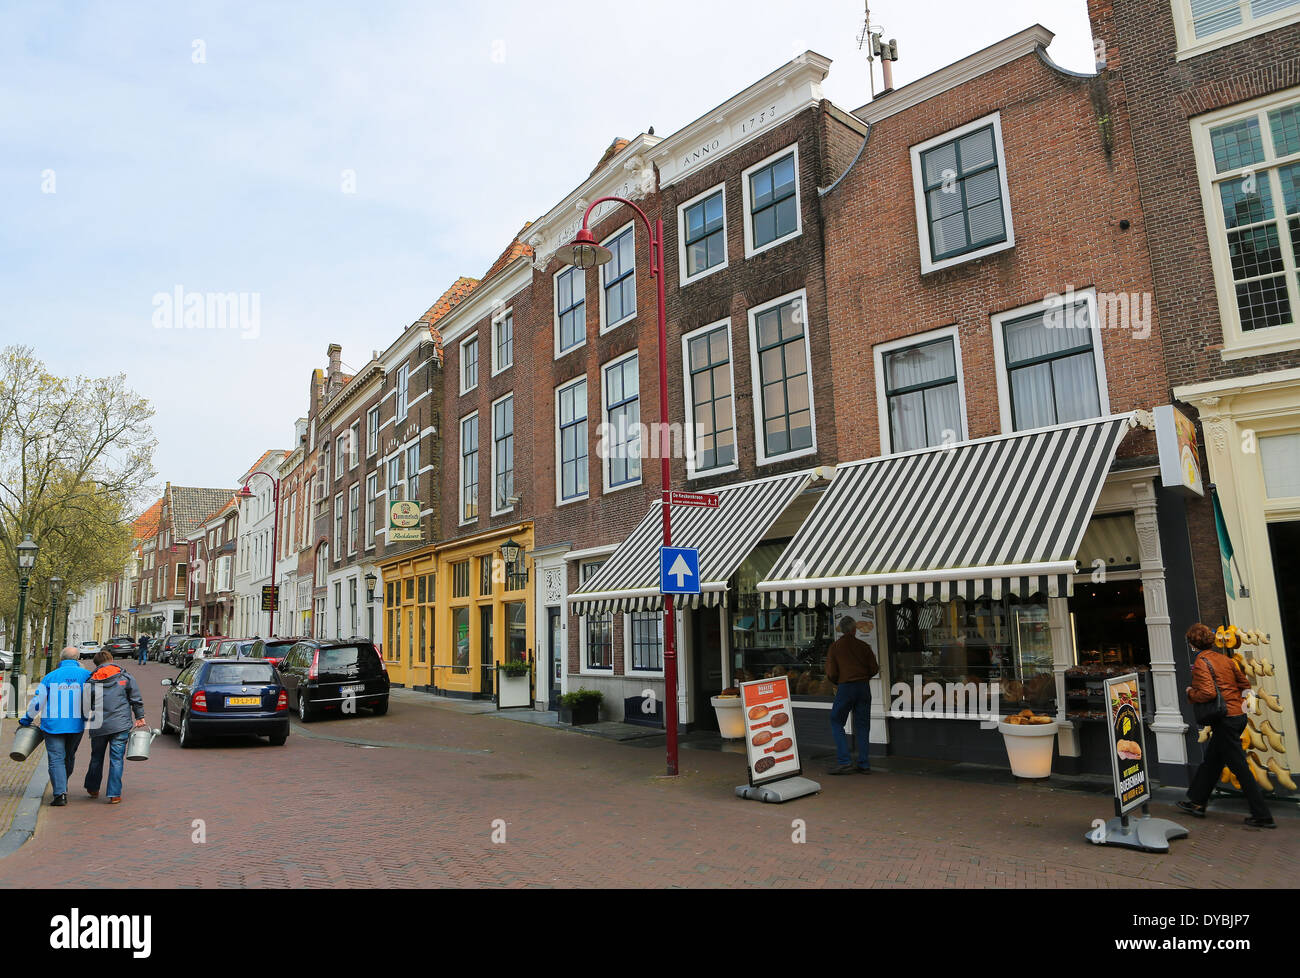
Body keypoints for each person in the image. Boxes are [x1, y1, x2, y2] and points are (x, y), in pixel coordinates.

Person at [1178, 623, 1275, 829]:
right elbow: (1245, 685)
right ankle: (1197, 802)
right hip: (1236, 717)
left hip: (1225, 720)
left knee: (1239, 767)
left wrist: (1189, 693)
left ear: (1193, 644)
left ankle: (1262, 815)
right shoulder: (1225, 659)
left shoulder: (1201, 662)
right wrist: (1241, 709)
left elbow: (1208, 693)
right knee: (1212, 761)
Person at [18, 647, 92, 806]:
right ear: (78, 658)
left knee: (56, 758)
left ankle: (60, 794)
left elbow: (37, 702)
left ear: (61, 658)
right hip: (76, 724)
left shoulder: (50, 677)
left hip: (53, 724)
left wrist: (26, 719)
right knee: (69, 755)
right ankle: (62, 784)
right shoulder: (87, 676)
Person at [82, 650, 147, 804]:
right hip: (120, 724)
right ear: (111, 659)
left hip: (98, 725)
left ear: (97, 664)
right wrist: (139, 717)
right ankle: (114, 794)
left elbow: (85, 706)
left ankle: (93, 788)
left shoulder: (91, 681)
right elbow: (135, 699)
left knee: (96, 757)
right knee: (116, 759)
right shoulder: (125, 677)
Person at [825, 616, 879, 775]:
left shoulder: (835, 647)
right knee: (863, 725)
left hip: (846, 687)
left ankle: (844, 761)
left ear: (841, 629)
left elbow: (831, 672)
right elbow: (874, 668)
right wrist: (864, 677)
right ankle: (864, 763)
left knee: (836, 720)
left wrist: (837, 681)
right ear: (855, 629)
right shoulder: (864, 646)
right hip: (863, 687)